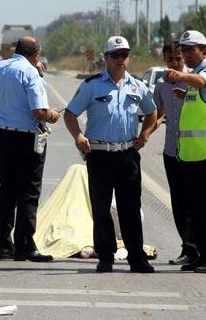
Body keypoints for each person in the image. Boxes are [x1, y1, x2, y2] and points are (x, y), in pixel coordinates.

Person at [64, 36, 157, 274]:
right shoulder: (92, 85)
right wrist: (78, 137)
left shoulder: (137, 85)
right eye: (115, 55)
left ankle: (137, 258)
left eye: (124, 55)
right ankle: (105, 257)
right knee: (102, 209)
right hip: (100, 155)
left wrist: (145, 135)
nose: (120, 60)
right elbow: (70, 113)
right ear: (105, 58)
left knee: (130, 209)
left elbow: (152, 112)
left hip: (127, 155)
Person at [165, 30, 206, 274]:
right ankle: (204, 256)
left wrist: (180, 76)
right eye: (182, 50)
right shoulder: (196, 75)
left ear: (204, 50)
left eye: (190, 49)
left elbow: (205, 84)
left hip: (205, 152)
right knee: (197, 209)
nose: (185, 53)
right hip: (193, 155)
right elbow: (202, 96)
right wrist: (186, 92)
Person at [0, 36, 61, 262]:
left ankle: (4, 244)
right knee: (29, 192)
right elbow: (39, 111)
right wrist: (53, 114)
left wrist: (35, 70)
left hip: (3, 135)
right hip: (27, 138)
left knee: (7, 189)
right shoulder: (30, 73)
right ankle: (25, 245)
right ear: (36, 55)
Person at [148, 41, 197, 266]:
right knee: (178, 202)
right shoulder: (161, 85)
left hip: (193, 152)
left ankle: (197, 247)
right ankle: (187, 248)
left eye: (178, 59)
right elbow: (159, 115)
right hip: (171, 151)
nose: (175, 64)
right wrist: (144, 135)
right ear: (164, 61)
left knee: (193, 201)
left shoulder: (194, 82)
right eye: (170, 60)